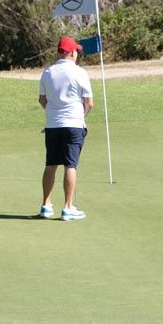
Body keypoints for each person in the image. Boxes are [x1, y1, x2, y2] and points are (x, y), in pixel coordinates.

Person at [38, 36, 93, 220]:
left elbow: (42, 100)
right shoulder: (80, 72)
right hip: (74, 125)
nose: (77, 53)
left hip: (53, 125)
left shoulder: (47, 72)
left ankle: (46, 205)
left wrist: (53, 114)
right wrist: (81, 117)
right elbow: (89, 103)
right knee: (71, 165)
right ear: (71, 53)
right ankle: (68, 208)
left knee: (51, 164)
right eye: (76, 51)